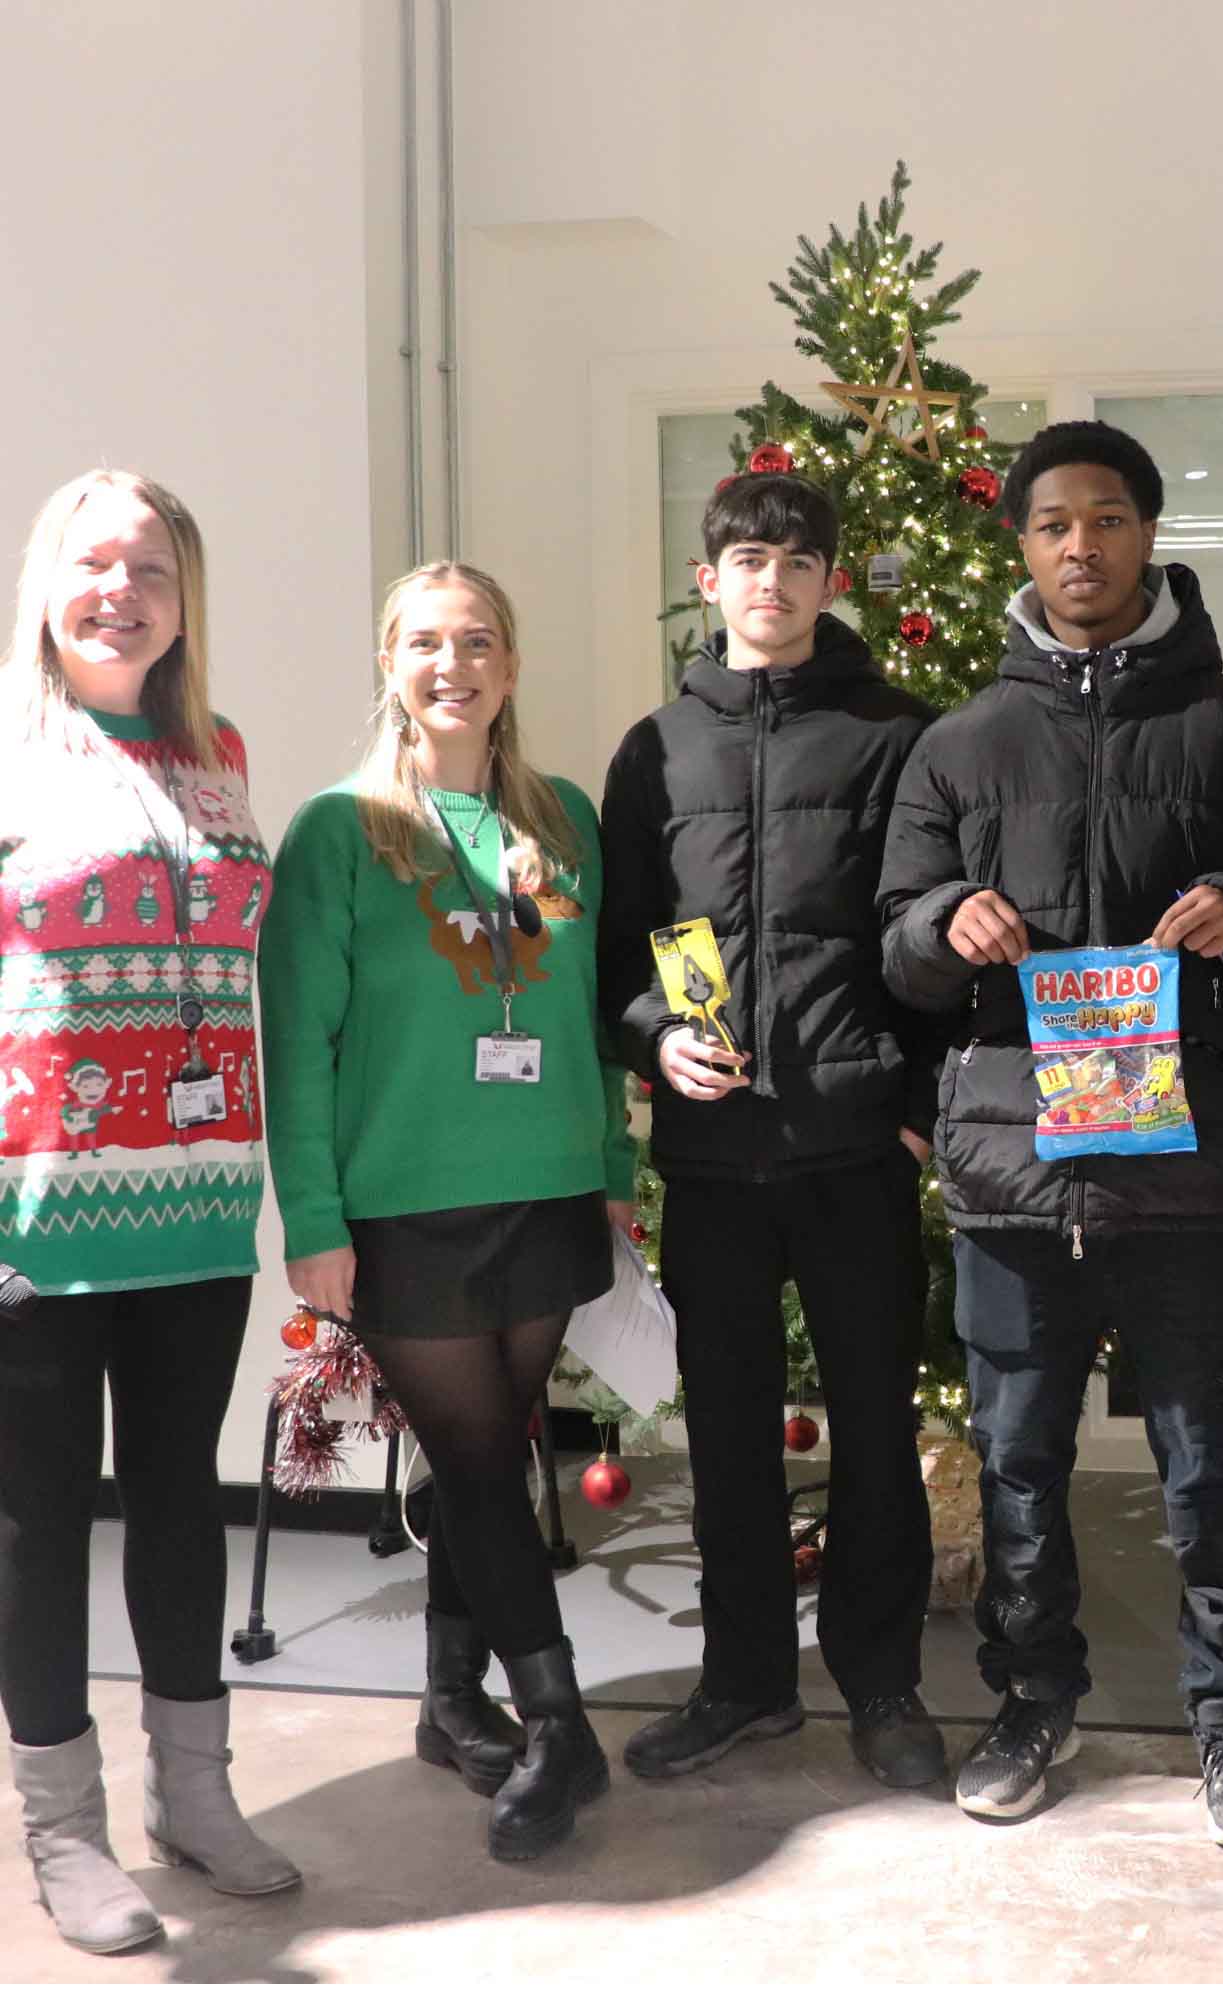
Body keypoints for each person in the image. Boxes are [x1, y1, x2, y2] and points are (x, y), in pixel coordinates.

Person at [878, 420, 1223, 1844]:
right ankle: (1029, 1703)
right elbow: (895, 941)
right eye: (1056, 523)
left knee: (1211, 1461)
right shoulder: (961, 742)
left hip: (1185, 1163)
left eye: (1110, 519)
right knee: (1016, 1463)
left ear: (1149, 535)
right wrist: (948, 924)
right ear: (1023, 543)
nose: (1083, 546)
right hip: (1017, 1172)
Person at [261, 562, 636, 1862]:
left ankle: (446, 1699)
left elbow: (584, 1016)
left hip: (544, 1188)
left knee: (486, 1452)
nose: (453, 663)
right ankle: (559, 1722)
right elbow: (294, 1038)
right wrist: (312, 1217)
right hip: (405, 1205)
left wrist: (617, 1179)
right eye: (426, 642)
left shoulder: (565, 821)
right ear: (389, 662)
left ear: (512, 667)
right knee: (478, 1464)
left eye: (478, 641)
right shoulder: (341, 832)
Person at [597, 472, 943, 1790]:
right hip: (712, 1167)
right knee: (729, 1441)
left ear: (830, 580)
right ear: (711, 582)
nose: (774, 579)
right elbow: (624, 954)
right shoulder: (655, 750)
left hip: (855, 1160)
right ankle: (743, 1684)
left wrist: (910, 1117)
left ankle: (886, 1688)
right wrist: (654, 1034)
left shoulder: (894, 734)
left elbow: (928, 946)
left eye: (800, 559)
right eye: (750, 557)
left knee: (873, 1434)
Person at [0, 471, 299, 1957]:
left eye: (154, 569)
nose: (122, 590)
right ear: (46, 584)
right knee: (40, 1522)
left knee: (180, 1496)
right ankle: (63, 1833)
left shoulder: (217, 752)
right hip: (33, 1222)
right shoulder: (4, 753)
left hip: (193, 1204)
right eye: (93, 562)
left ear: (186, 601)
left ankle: (197, 1794)